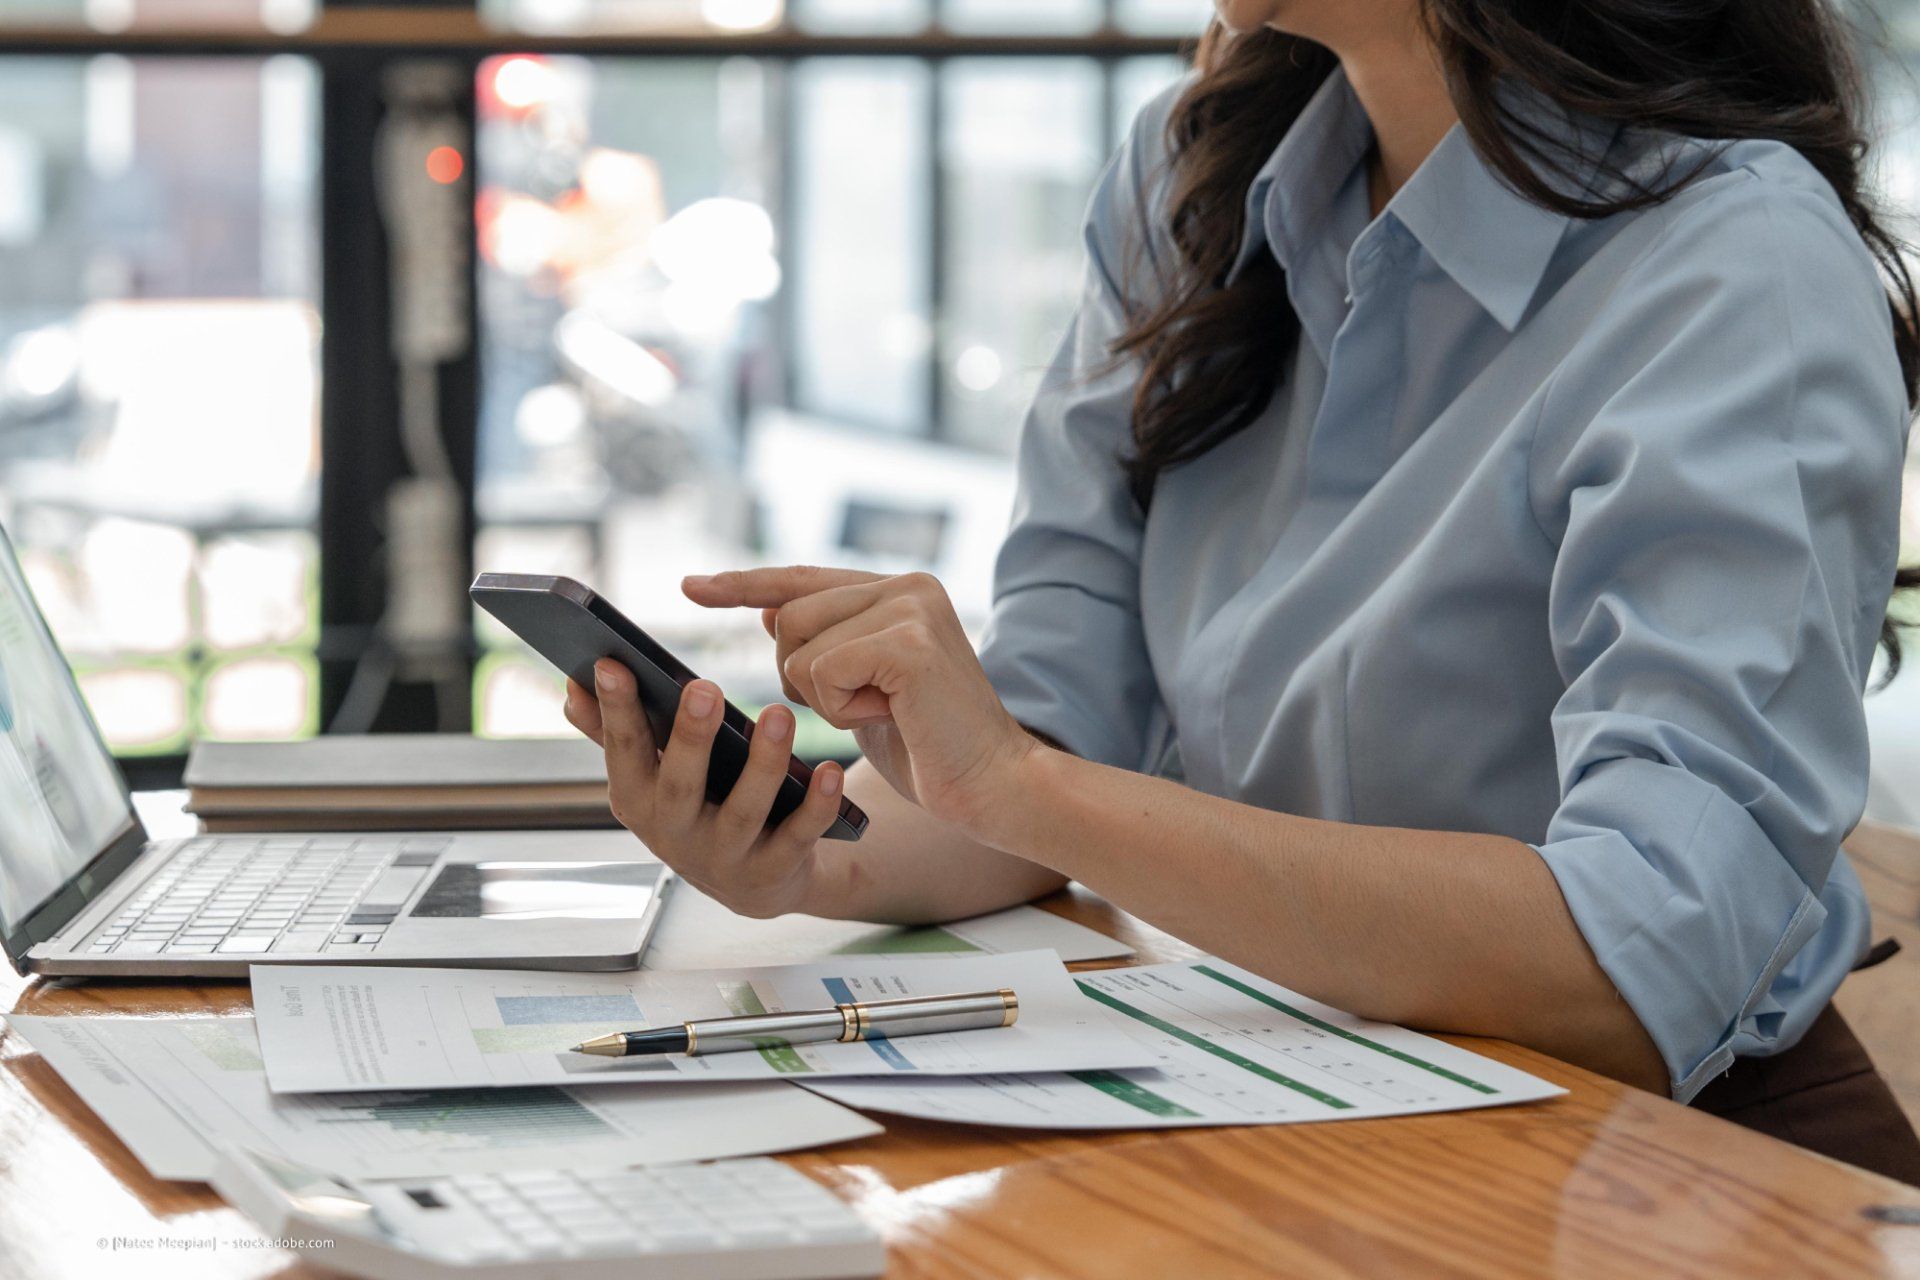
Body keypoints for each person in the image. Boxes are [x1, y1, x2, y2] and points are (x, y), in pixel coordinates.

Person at [566, 0, 1920, 1182]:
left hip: (1665, 1164)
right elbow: (1040, 774)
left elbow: (1640, 962)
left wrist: (1030, 789)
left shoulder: (1734, 262)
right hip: (1293, 1098)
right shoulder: (1190, 181)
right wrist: (802, 854)